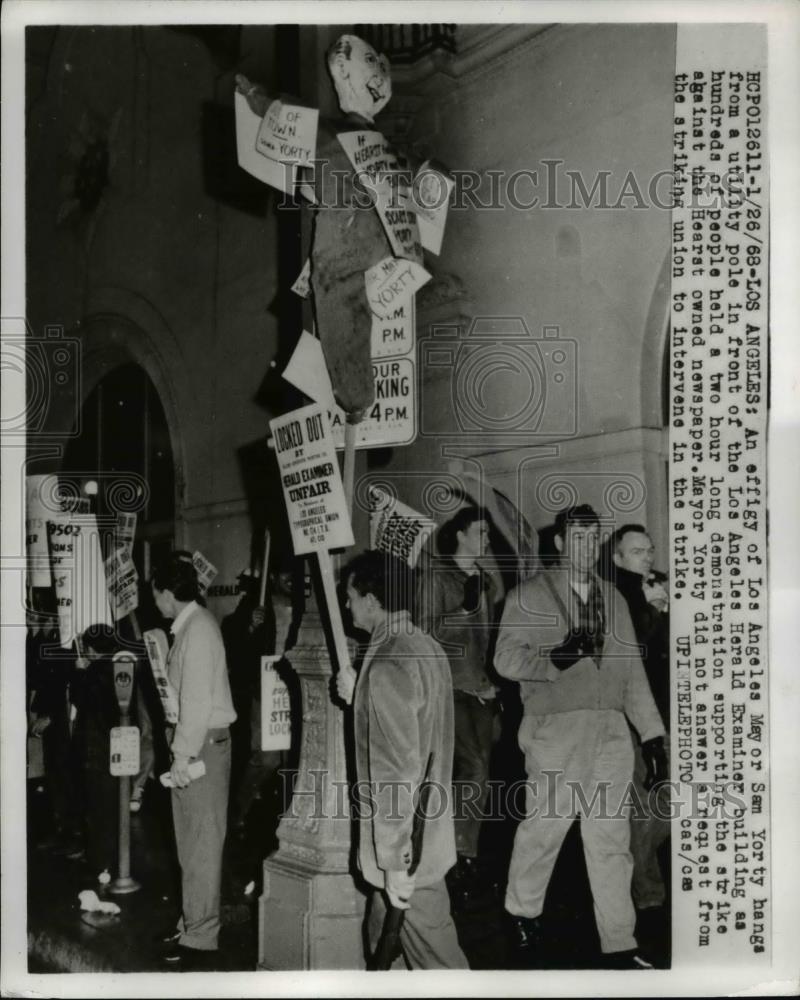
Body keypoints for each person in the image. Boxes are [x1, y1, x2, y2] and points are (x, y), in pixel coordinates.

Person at [494, 505, 667, 969]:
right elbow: (504, 660)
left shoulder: (614, 598)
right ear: (559, 543)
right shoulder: (529, 595)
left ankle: (619, 941)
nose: (587, 548)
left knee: (611, 840)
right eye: (578, 538)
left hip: (611, 730)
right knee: (544, 829)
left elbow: (632, 671)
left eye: (594, 539)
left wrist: (652, 734)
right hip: (557, 728)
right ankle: (522, 914)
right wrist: (556, 657)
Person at [338, 550, 468, 970]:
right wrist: (360, 694)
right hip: (425, 833)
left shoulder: (388, 661)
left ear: (370, 600)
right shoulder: (424, 646)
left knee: (439, 963)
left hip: (407, 849)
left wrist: (395, 862)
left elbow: (395, 771)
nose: (347, 606)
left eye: (350, 597)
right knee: (382, 942)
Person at [151, 551, 237, 970]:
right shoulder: (190, 627)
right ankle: (192, 923)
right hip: (196, 742)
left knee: (200, 845)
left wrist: (182, 754)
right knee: (191, 844)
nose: (155, 601)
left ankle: (200, 938)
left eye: (156, 594)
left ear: (168, 594)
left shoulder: (198, 630)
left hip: (200, 745)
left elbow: (197, 702)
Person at [415, 506, 499, 897]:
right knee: (475, 768)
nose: (487, 539)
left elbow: (486, 639)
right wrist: (462, 610)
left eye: (488, 532)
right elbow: (423, 632)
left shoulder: (485, 581)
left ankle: (450, 854)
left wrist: (492, 679)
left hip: (479, 689)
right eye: (480, 531)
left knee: (475, 776)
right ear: (460, 535)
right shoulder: (436, 577)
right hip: (447, 689)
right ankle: (461, 858)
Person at [604, 524, 671, 917]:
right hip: (634, 714)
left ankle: (642, 883)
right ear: (617, 558)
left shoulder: (655, 587)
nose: (646, 557)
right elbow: (633, 650)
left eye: (649, 550)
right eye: (636, 552)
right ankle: (647, 895)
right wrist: (654, 610)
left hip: (663, 709)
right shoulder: (617, 595)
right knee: (645, 803)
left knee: (666, 802)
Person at [71, 624, 120, 883]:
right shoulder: (119, 667)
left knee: (96, 807)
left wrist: (80, 672)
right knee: (110, 806)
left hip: (94, 748)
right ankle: (108, 859)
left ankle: (100, 861)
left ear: (91, 649)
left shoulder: (93, 672)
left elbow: (80, 699)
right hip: (114, 746)